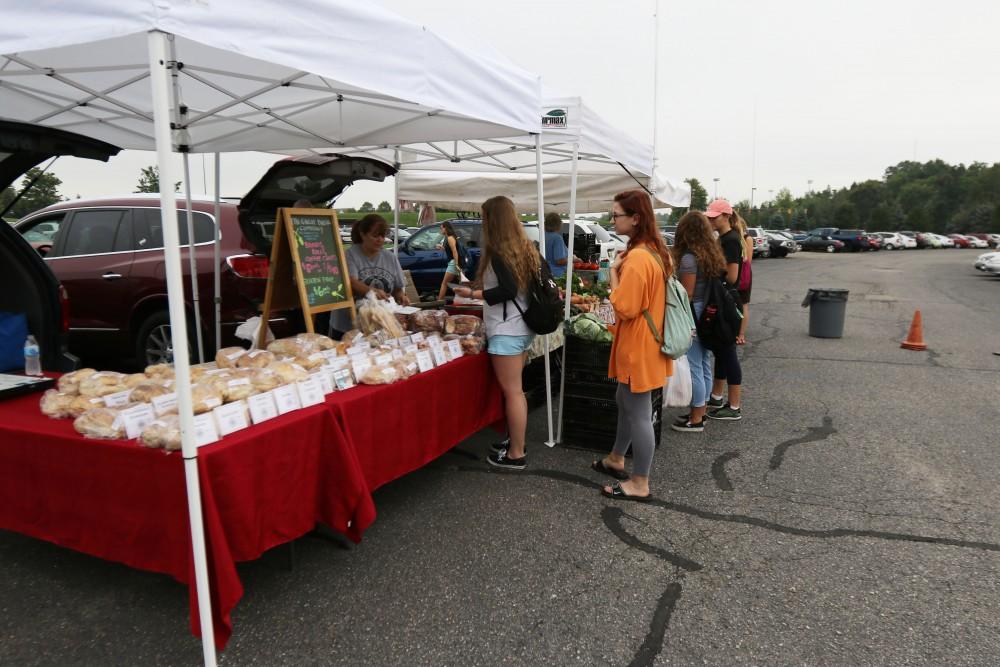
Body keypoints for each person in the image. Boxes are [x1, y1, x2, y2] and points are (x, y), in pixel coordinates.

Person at [591, 189, 673, 501]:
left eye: (616, 215)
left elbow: (622, 307)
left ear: (635, 218)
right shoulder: (654, 250)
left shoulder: (638, 258)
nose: (612, 220)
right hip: (643, 344)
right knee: (625, 401)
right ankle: (616, 458)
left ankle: (640, 482)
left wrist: (612, 272)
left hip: (638, 346)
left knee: (638, 413)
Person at [451, 196, 538, 470]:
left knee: (513, 392)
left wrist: (473, 293)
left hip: (507, 330)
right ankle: (515, 441)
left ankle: (516, 454)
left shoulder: (500, 252)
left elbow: (507, 290)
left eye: (485, 217)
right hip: (522, 327)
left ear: (493, 220)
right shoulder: (524, 248)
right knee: (516, 391)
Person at [669, 211, 727, 432]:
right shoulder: (709, 254)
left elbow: (687, 293)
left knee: (694, 364)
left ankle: (696, 418)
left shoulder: (689, 258)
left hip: (694, 313)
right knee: (703, 363)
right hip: (708, 315)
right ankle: (700, 412)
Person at [329, 213, 410, 339]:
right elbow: (351, 281)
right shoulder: (350, 255)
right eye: (375, 235)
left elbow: (397, 288)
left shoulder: (390, 258)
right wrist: (372, 292)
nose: (380, 240)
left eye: (383, 236)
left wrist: (401, 296)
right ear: (362, 234)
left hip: (378, 326)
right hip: (348, 326)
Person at [704, 199, 744, 420]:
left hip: (727, 301)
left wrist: (712, 270)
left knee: (728, 352)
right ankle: (717, 396)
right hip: (723, 299)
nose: (710, 219)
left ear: (726, 217)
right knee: (721, 350)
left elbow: (732, 276)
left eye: (714, 216)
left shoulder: (730, 240)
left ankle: (735, 405)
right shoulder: (725, 238)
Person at [436, 221, 467, 300]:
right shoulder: (448, 237)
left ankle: (439, 302)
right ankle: (465, 300)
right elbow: (450, 249)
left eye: (441, 228)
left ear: (445, 228)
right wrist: (441, 247)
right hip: (454, 262)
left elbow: (454, 251)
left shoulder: (450, 238)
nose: (441, 230)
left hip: (453, 263)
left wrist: (456, 264)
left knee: (444, 283)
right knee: (462, 284)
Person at [543, 212, 570, 277]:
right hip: (557, 275)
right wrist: (571, 260)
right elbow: (559, 261)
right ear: (558, 224)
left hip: (546, 273)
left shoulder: (543, 236)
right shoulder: (557, 238)